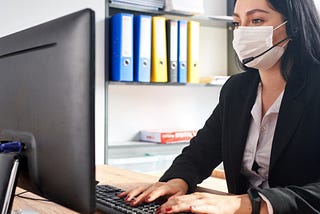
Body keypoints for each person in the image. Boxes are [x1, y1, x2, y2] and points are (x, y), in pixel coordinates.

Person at [119, 0, 320, 213]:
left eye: (257, 20)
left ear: (294, 25)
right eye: (237, 23)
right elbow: (200, 152)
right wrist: (177, 181)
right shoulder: (237, 89)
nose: (243, 32)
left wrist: (244, 204)